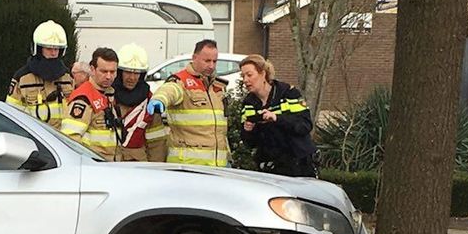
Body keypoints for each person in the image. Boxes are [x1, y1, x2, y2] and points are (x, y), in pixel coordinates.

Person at [146, 39, 230, 167]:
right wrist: (159, 99)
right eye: (207, 61)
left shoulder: (217, 87)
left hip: (217, 166)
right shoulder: (182, 81)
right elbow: (169, 90)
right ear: (194, 58)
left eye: (214, 61)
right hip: (187, 166)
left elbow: (219, 131)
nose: (211, 66)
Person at [238, 54, 318, 177]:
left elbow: (304, 125)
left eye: (249, 75)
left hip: (298, 164)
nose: (245, 80)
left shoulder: (289, 93)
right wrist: (248, 130)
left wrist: (276, 118)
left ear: (263, 74)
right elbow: (250, 143)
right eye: (243, 76)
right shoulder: (248, 103)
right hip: (269, 167)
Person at [6, 20, 75, 128]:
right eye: (49, 48)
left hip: (61, 139)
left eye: (56, 49)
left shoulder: (66, 77)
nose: (53, 53)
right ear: (38, 49)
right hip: (34, 137)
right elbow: (11, 113)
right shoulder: (23, 78)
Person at [60, 47, 121, 160]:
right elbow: (70, 139)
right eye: (103, 71)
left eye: (112, 72)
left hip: (109, 166)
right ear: (92, 69)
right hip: (92, 167)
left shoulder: (109, 95)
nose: (108, 76)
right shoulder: (83, 99)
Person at [113, 43, 166, 162]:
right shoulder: (108, 96)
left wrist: (156, 171)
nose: (132, 78)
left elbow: (157, 143)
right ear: (119, 72)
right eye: (128, 72)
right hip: (110, 163)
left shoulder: (149, 101)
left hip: (138, 165)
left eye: (136, 73)